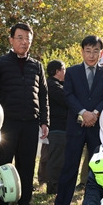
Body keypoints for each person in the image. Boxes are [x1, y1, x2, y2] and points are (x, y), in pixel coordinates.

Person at [0, 22, 49, 205]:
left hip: (31, 122)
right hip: (7, 124)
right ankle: (2, 203)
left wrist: (44, 121)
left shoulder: (37, 66)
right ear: (11, 40)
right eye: (20, 38)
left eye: (28, 39)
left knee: (27, 163)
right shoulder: (0, 63)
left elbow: (44, 95)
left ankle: (24, 202)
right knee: (4, 163)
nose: (24, 42)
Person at [52, 35, 103, 205]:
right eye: (88, 51)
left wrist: (95, 113)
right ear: (82, 51)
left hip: (98, 127)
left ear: (101, 53)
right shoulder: (72, 72)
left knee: (99, 168)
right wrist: (83, 112)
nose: (91, 55)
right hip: (76, 126)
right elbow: (68, 95)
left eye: (95, 51)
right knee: (69, 167)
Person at [43, 60, 67, 194]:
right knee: (56, 159)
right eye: (64, 70)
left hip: (60, 127)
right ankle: (53, 187)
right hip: (57, 127)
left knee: (58, 157)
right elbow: (66, 99)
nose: (65, 73)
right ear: (57, 71)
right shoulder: (52, 85)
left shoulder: (56, 84)